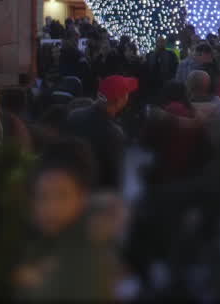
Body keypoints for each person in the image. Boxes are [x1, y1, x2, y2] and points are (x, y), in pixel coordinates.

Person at [14, 139, 122, 300]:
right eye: (43, 196)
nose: (51, 207)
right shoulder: (35, 245)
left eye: (62, 195)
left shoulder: (88, 256)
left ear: (82, 197)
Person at [63, 74, 136, 191]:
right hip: (96, 193)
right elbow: (116, 178)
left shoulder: (74, 115)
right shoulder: (113, 133)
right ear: (119, 100)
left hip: (70, 185)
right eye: (127, 93)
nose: (128, 97)